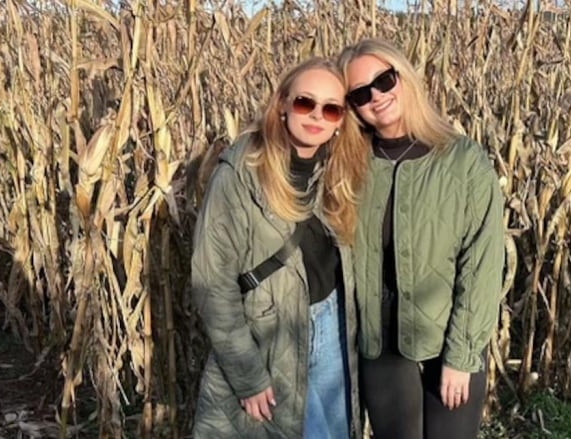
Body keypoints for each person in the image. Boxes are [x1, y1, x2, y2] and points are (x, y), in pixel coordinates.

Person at [337, 39, 506, 439]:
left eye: (384, 80)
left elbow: (482, 265)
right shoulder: (348, 165)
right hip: (381, 346)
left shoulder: (463, 160)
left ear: (404, 76)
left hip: (448, 343)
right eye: (361, 94)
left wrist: (462, 357)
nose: (376, 97)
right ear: (352, 107)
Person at [191, 57, 367, 438]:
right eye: (306, 102)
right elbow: (212, 281)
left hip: (334, 328)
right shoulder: (240, 172)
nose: (317, 115)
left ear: (341, 121)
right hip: (268, 334)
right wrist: (247, 375)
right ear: (283, 103)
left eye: (332, 109)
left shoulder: (341, 171)